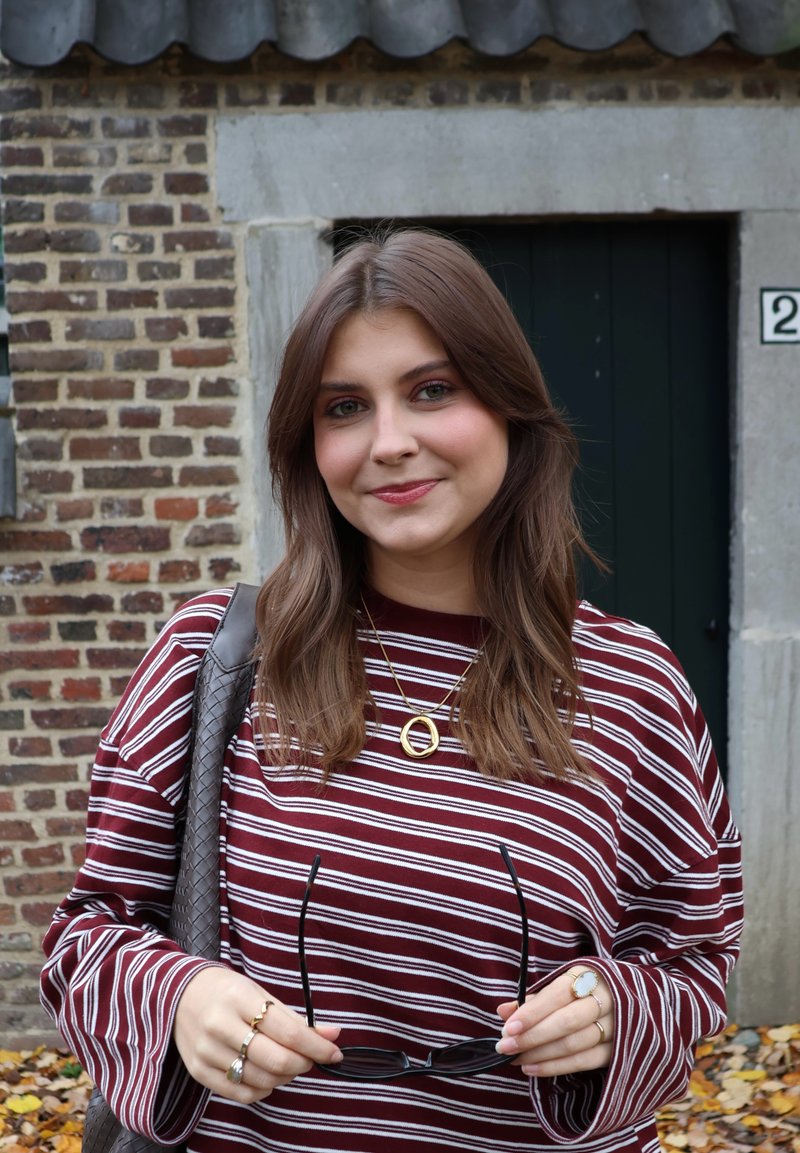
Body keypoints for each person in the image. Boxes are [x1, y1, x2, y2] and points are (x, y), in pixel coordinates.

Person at [41, 229, 743, 1153]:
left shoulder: (633, 683)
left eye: (432, 390)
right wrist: (180, 998)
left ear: (508, 408)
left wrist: (619, 1009)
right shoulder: (212, 656)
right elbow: (87, 935)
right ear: (309, 442)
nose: (391, 442)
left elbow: (696, 957)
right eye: (344, 407)